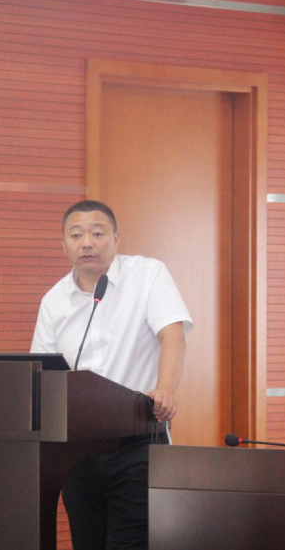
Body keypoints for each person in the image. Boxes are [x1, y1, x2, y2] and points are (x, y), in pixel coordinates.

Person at [30, 200, 193, 549]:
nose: (87, 242)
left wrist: (164, 389)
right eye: (76, 235)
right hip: (75, 450)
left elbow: (173, 335)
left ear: (116, 239)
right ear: (64, 244)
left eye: (97, 233)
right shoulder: (53, 302)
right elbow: (41, 372)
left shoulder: (147, 275)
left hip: (136, 441)